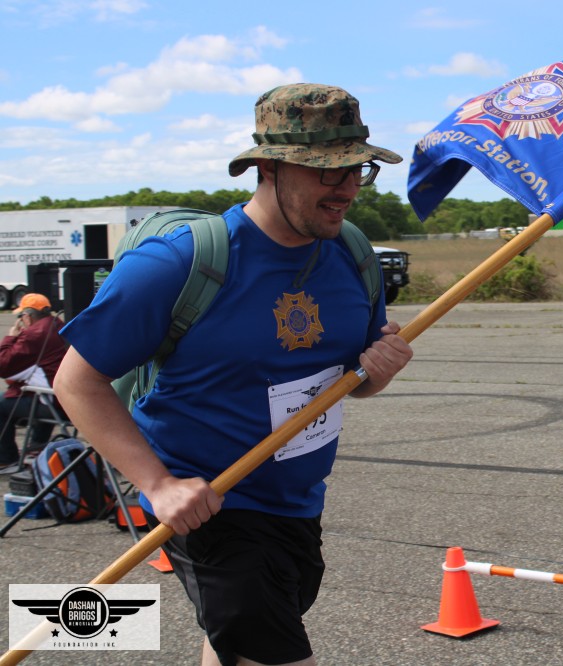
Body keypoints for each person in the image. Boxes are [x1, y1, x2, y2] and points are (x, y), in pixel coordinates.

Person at [54, 84, 414, 666]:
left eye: (358, 169)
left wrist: (380, 371)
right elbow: (76, 381)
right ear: (268, 168)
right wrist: (158, 485)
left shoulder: (352, 255)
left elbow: (356, 378)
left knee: (233, 648)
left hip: (298, 502)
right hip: (210, 505)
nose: (348, 188)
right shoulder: (177, 263)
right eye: (328, 171)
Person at [0, 293, 68, 474]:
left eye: (21, 316)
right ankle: (37, 446)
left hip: (54, 403)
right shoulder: (57, 324)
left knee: (2, 403)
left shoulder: (33, 335)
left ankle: (6, 460)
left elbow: (4, 366)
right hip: (66, 399)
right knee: (36, 391)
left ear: (28, 316)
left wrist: (11, 337)